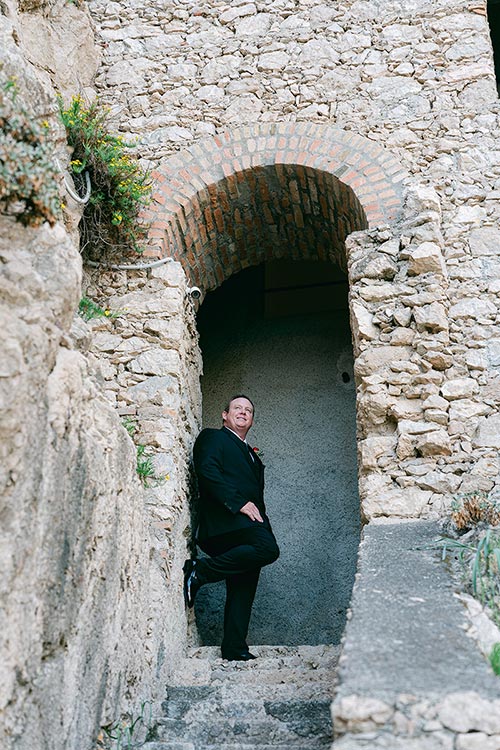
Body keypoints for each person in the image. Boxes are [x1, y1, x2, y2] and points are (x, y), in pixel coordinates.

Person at [184, 394, 280, 661]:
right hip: (224, 524)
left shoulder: (252, 455)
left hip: (246, 525)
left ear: (251, 421)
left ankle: (234, 648)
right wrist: (238, 504)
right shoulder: (213, 437)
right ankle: (199, 571)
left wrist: (262, 523)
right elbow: (207, 471)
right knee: (268, 550)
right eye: (237, 408)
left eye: (248, 410)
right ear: (225, 415)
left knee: (244, 583)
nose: (243, 412)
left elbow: (257, 502)